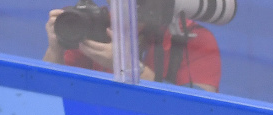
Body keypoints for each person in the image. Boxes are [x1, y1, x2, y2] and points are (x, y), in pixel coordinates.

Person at [43, 1, 221, 92]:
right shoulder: (91, 26)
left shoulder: (195, 39)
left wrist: (129, 67)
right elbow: (49, 92)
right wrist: (55, 50)